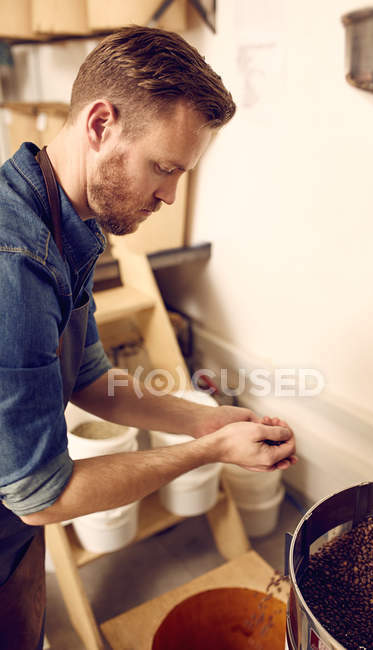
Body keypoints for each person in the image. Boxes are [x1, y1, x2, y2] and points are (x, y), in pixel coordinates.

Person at [0, 26, 297, 649]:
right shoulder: (15, 262)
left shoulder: (63, 222)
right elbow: (41, 496)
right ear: (101, 124)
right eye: (164, 167)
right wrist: (206, 454)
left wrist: (205, 421)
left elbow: (89, 380)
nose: (169, 194)